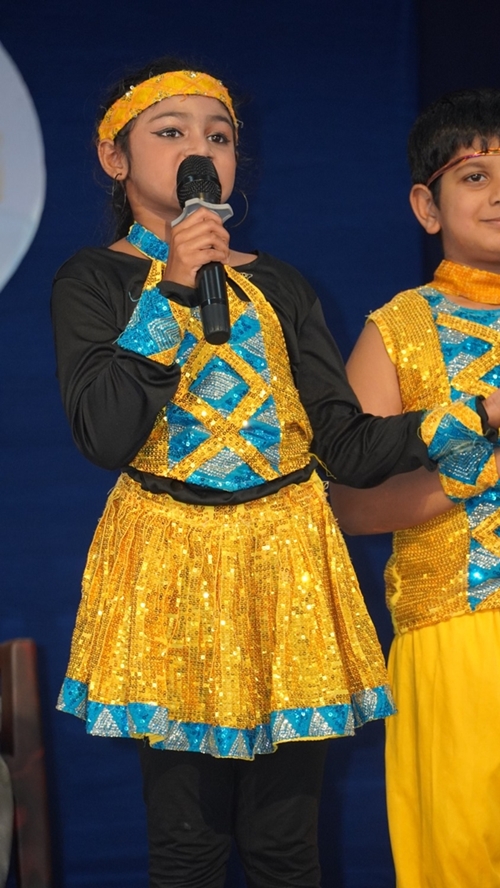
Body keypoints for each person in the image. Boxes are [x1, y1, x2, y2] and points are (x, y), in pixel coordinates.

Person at [51, 62, 500, 888]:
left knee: (285, 845)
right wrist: (175, 288)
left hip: (286, 567)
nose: (201, 151)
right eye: (172, 132)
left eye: (219, 137)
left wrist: (465, 418)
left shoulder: (280, 285)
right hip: (172, 573)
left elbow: (346, 447)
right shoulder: (94, 279)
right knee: (187, 844)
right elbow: (104, 431)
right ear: (114, 158)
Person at [330, 88, 500, 888]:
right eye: (474, 175)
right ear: (426, 207)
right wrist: (479, 465)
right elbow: (351, 505)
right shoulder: (400, 328)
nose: (498, 193)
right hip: (457, 638)